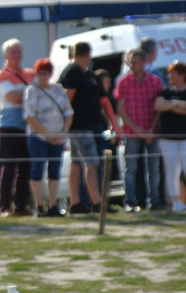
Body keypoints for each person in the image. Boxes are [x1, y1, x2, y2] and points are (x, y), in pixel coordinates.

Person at [58, 42, 109, 214]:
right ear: (86, 54)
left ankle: (76, 202)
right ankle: (97, 201)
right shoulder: (72, 72)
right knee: (92, 162)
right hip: (79, 126)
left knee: (77, 163)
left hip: (86, 125)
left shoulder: (86, 73)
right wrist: (65, 123)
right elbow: (67, 99)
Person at [114, 48, 164, 212]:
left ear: (143, 63)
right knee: (131, 168)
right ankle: (130, 201)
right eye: (130, 62)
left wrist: (150, 130)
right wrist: (136, 129)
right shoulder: (124, 82)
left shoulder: (155, 81)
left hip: (152, 131)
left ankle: (154, 200)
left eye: (135, 62)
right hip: (132, 133)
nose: (132, 65)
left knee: (153, 168)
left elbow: (159, 107)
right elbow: (121, 109)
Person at [23, 59, 73, 217]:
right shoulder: (32, 90)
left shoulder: (58, 89)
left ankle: (53, 205)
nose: (43, 76)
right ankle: (39, 206)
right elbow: (30, 116)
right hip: (38, 137)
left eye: (45, 73)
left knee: (54, 171)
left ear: (51, 73)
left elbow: (68, 112)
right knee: (37, 170)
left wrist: (63, 132)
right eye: (39, 73)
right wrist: (48, 135)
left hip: (58, 137)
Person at [0, 39, 33, 217]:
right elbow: (14, 97)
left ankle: (21, 205)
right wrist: (33, 93)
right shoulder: (1, 76)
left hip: (29, 126)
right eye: (13, 52)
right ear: (6, 55)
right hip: (9, 126)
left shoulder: (31, 73)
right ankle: (4, 206)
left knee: (26, 167)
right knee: (9, 167)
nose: (16, 55)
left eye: (19, 51)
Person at [153, 60, 186, 212]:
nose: (169, 76)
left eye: (173, 73)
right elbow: (159, 105)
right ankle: (175, 202)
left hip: (184, 138)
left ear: (182, 75)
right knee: (172, 170)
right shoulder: (165, 92)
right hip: (168, 139)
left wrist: (171, 105)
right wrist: (178, 104)